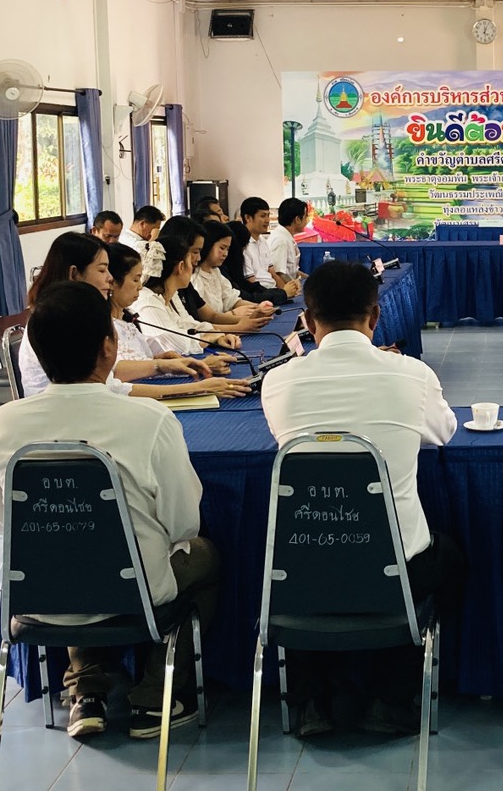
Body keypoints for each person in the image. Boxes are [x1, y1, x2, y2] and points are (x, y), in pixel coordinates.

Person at [0, 281, 223, 740]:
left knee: (68, 546)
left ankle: (85, 691)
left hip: (40, 593)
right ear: (109, 347)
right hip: (136, 590)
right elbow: (184, 524)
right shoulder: (149, 419)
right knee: (205, 556)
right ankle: (156, 694)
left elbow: (1, 523)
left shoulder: (3, 423)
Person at [261, 261, 465, 738]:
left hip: (305, 560)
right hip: (400, 564)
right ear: (375, 315)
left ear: (307, 321)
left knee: (317, 565)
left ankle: (312, 700)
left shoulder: (278, 381)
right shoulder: (412, 374)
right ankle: (391, 696)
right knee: (452, 559)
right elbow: (444, 432)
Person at [104, 242, 247, 396]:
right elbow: (115, 374)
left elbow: (184, 326)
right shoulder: (110, 321)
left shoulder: (126, 318)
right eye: (135, 279)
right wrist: (195, 382)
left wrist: (163, 361)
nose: (140, 286)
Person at [130, 236, 244, 356]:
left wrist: (217, 335)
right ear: (180, 267)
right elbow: (173, 343)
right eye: (191, 262)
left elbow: (188, 324)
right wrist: (209, 338)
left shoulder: (172, 295)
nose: (197, 260)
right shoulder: (148, 300)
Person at [191, 219, 278, 331]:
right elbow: (207, 318)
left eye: (228, 249)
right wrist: (235, 315)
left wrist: (258, 308)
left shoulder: (215, 272)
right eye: (222, 248)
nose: (225, 254)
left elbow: (232, 299)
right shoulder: (195, 277)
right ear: (208, 245)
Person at [239, 196, 301, 298]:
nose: (267, 220)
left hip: (273, 291)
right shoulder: (243, 245)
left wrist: (285, 293)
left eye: (268, 215)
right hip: (261, 295)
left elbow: (273, 273)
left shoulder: (263, 241)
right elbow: (251, 282)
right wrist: (281, 294)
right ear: (248, 218)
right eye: (263, 216)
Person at [223, 221, 289, 305]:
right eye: (223, 248)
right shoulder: (223, 268)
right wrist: (281, 294)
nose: (225, 253)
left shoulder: (262, 242)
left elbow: (247, 285)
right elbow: (244, 296)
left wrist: (281, 293)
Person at [269, 197, 309, 289]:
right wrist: (291, 291)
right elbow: (278, 273)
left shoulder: (286, 236)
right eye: (305, 217)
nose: (306, 220)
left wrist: (310, 279)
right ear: (297, 219)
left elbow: (292, 271)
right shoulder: (281, 240)